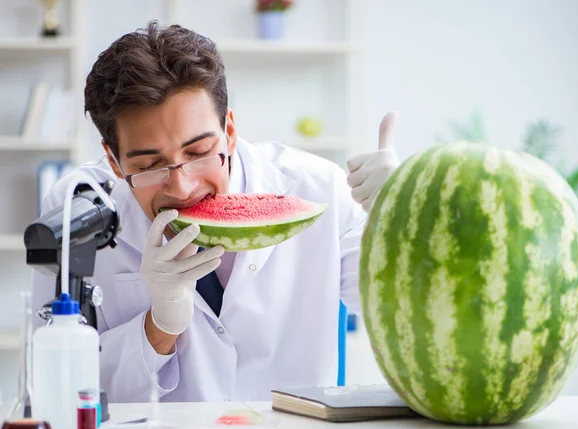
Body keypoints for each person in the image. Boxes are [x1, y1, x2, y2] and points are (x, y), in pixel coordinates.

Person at [31, 21, 400, 403]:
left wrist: (406, 216)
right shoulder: (75, 210)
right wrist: (157, 327)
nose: (183, 187)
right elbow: (58, 392)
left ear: (230, 131)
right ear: (113, 160)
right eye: (148, 165)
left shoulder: (321, 188)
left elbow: (409, 322)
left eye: (199, 152)